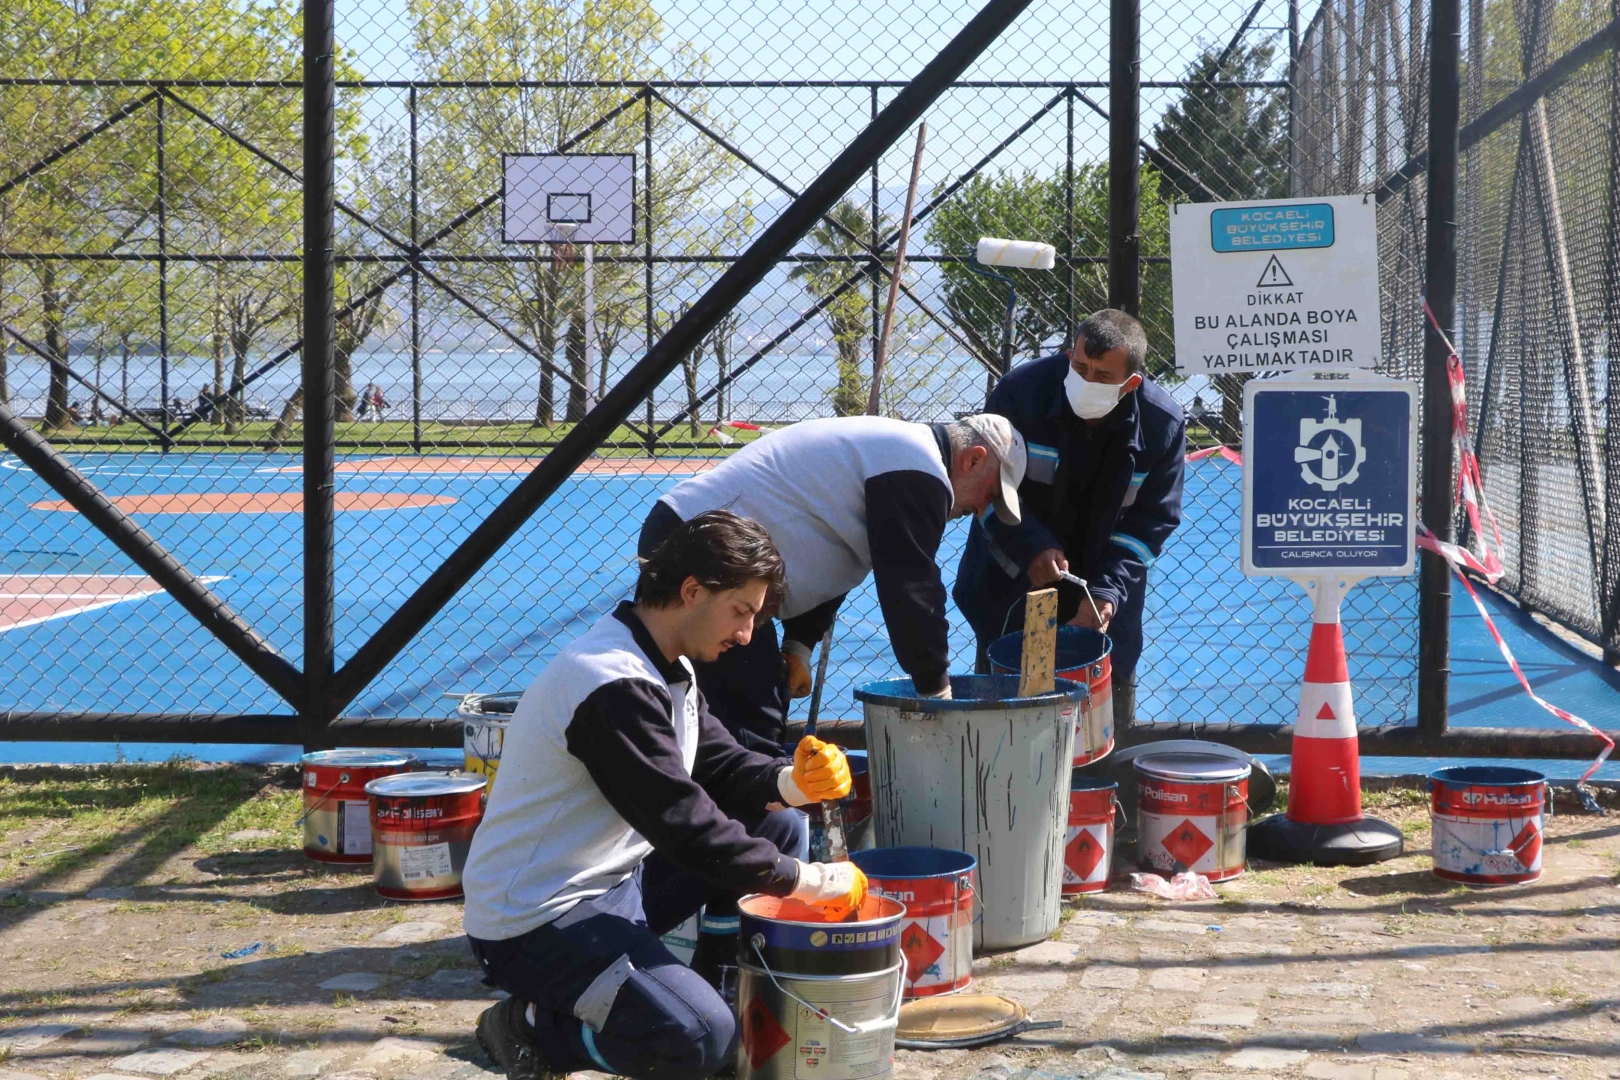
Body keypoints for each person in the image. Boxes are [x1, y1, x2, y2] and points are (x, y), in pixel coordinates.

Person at [463, 510, 865, 1080]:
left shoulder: (665, 660)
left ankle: (715, 979)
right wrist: (807, 882)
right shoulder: (611, 683)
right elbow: (684, 822)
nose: (749, 635)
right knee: (697, 1040)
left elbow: (719, 764)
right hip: (534, 918)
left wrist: (792, 783)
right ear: (692, 591)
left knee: (778, 826)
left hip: (609, 881)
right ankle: (532, 1025)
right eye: (741, 611)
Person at [639, 414, 1026, 753]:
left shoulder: (899, 455)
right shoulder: (918, 469)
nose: (980, 510)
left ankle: (725, 815)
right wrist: (937, 695)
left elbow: (832, 557)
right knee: (746, 724)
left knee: (738, 711)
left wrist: (798, 647)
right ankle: (736, 825)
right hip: (698, 547)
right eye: (989, 493)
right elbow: (912, 590)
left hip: (697, 540)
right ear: (973, 458)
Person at [954, 309, 1185, 729]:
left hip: (1101, 595)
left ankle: (1098, 790)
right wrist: (1031, 546)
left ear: (1131, 382)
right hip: (1011, 584)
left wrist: (1106, 592)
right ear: (1067, 356)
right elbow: (980, 487)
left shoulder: (1160, 425)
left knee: (1095, 726)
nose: (1086, 380)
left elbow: (1152, 522)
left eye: (1101, 375)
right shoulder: (1020, 395)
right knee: (1007, 723)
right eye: (1079, 367)